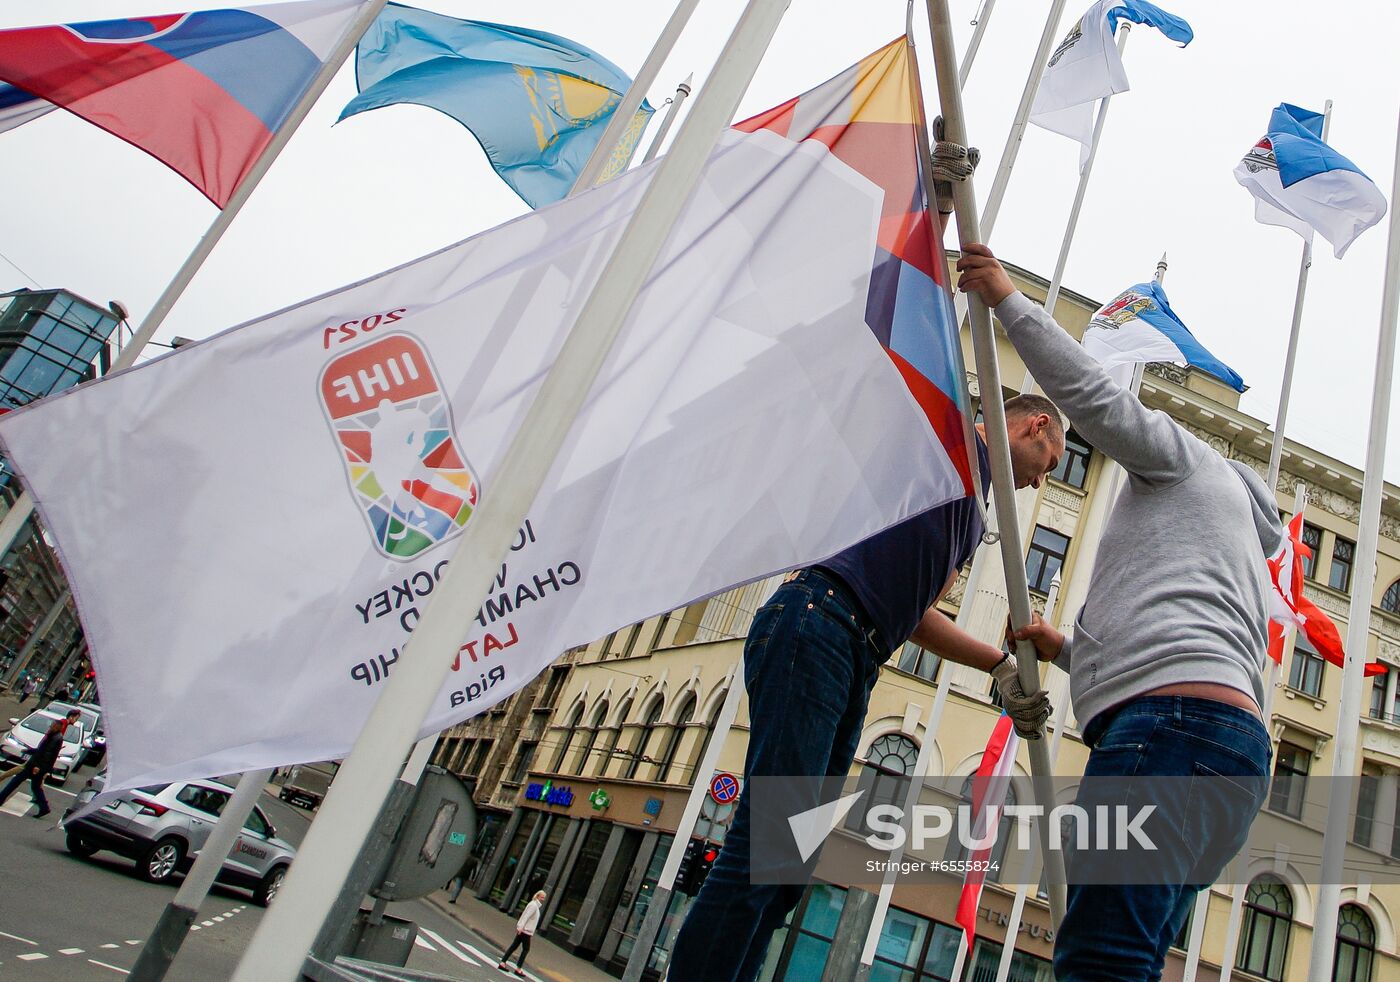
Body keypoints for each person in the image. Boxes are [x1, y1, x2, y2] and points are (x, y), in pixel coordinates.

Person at [957, 243, 1281, 982]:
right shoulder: (1238, 538)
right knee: (1129, 960)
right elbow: (1176, 635)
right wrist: (1069, 649)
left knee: (1100, 958)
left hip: (1167, 736)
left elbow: (1097, 401)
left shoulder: (1189, 462)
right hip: (1233, 755)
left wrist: (1009, 299)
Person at [668, 394, 1065, 982]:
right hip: (817, 623)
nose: (1038, 484)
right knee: (770, 841)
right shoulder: (945, 447)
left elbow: (915, 613)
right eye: (1049, 462)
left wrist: (998, 663)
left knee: (789, 863)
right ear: (1035, 426)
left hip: (856, 649)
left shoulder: (971, 513)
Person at [0, 709, 81, 818]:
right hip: (38, 764)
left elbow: (46, 753)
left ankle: (1, 796)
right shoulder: (55, 735)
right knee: (36, 787)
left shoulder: (56, 737)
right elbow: (43, 750)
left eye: (52, 726)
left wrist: (38, 766)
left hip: (36, 765)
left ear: (57, 728)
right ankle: (44, 808)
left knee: (16, 781)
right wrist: (30, 751)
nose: (50, 727)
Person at [497, 890, 545, 976]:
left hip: (524, 930)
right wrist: (521, 927)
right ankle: (518, 968)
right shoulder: (534, 906)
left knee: (514, 946)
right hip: (525, 931)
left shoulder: (534, 905)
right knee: (526, 949)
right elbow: (526, 916)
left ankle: (503, 962)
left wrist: (520, 927)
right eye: (542, 897)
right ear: (537, 896)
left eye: (544, 898)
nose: (543, 899)